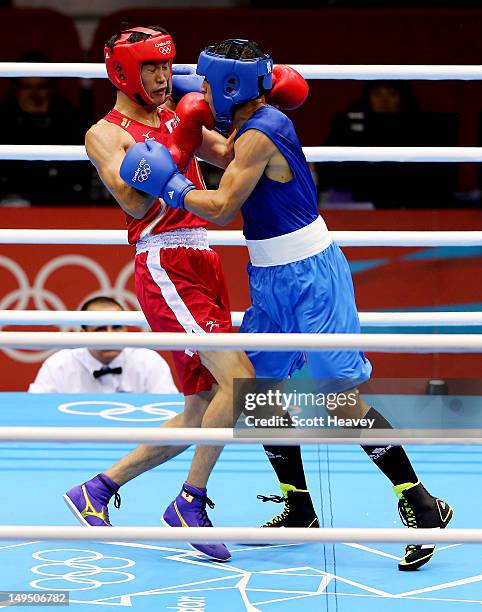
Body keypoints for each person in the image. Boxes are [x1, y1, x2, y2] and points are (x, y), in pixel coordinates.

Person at [120, 38, 454, 571]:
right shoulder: (247, 124)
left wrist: (173, 186)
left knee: (338, 400)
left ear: (231, 87)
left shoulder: (263, 131)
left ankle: (420, 504)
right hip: (271, 275)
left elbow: (225, 205)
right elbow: (226, 153)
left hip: (312, 277)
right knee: (259, 392)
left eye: (208, 84)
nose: (201, 93)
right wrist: (178, 91)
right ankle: (299, 506)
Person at [63, 27, 306, 562]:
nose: (159, 77)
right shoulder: (104, 132)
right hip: (164, 260)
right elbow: (130, 200)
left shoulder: (183, 108)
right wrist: (176, 146)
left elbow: (229, 156)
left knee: (203, 405)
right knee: (241, 382)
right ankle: (189, 503)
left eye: (164, 67)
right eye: (148, 67)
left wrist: (260, 110)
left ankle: (98, 489)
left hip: (205, 256)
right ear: (124, 72)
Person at [320, 80, 457, 208]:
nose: (384, 99)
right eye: (377, 93)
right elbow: (331, 169)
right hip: (360, 202)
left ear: (402, 98)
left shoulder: (421, 130)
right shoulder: (347, 128)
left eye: (391, 94)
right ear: (368, 97)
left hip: (410, 203)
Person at [29, 296, 178, 393]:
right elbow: (35, 409)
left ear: (126, 328)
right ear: (84, 332)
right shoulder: (58, 365)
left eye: (117, 327)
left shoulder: (150, 362)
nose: (110, 336)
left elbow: (167, 412)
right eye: (100, 329)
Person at [0, 52, 89, 207]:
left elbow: (78, 173)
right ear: (16, 89)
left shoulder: (69, 118)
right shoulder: (3, 118)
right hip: (12, 198)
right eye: (27, 87)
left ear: (51, 89)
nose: (34, 94)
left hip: (62, 198)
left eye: (41, 86)